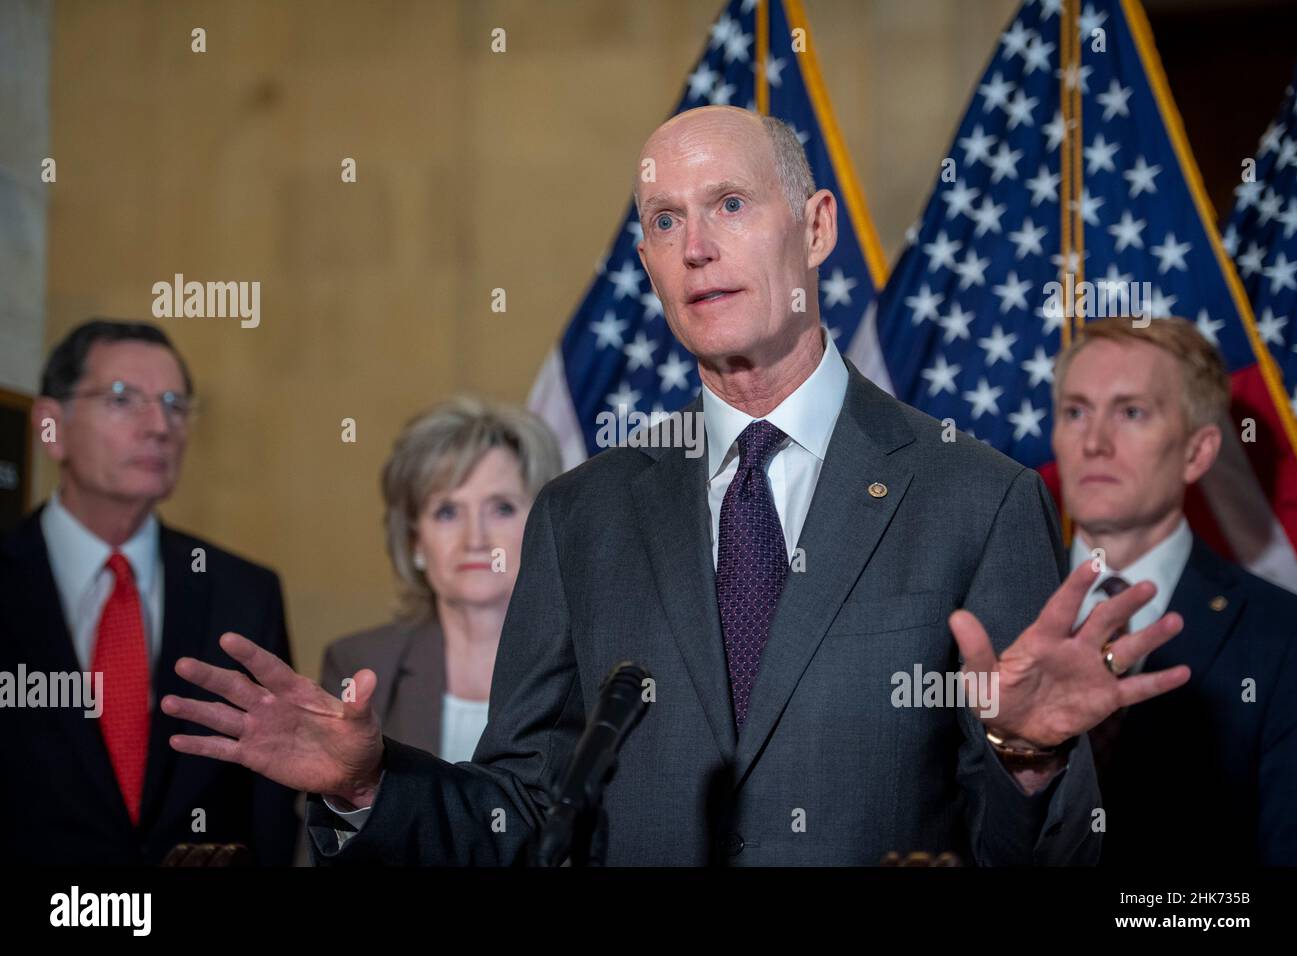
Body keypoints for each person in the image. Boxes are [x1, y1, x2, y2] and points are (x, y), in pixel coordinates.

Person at [164, 107, 1189, 866]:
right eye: (662, 221)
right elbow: (523, 811)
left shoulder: (975, 496)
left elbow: (1036, 850)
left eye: (729, 206)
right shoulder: (580, 515)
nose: (695, 247)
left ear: (816, 227)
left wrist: (1030, 757)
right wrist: (371, 782)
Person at [0, 319, 299, 865]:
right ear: (51, 427)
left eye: (175, 404)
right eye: (123, 400)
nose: (160, 425)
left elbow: (269, 807)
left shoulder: (244, 592)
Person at [1051, 315, 1297, 866]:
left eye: (1131, 412)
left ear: (1197, 452)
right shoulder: (975, 602)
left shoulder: (1285, 640)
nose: (1094, 442)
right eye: (1075, 411)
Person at [320, 397, 561, 761]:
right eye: (447, 512)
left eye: (502, 509)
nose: (475, 540)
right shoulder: (359, 663)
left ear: (542, 525)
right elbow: (327, 810)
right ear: (415, 539)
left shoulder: (590, 662)